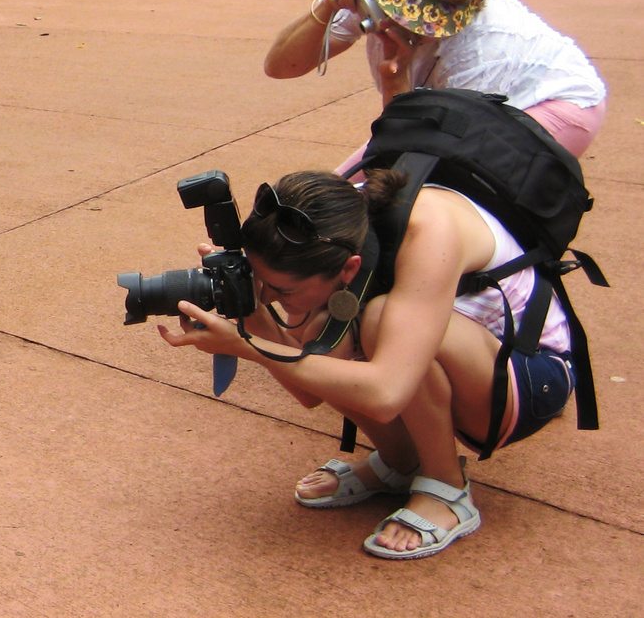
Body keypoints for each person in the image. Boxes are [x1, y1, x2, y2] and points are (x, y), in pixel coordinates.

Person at [158, 167, 577, 559]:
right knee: (330, 329)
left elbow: (384, 392)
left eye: (281, 291)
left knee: (375, 320)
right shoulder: (322, 228)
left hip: (528, 379)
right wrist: (246, 305)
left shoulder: (431, 231)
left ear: (349, 268)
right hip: (472, 359)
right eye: (261, 280)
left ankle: (447, 489)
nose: (269, 296)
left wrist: (247, 348)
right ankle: (401, 463)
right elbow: (309, 386)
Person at [263, 0, 607, 163]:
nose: (404, 24)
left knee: (438, 206)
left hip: (553, 104)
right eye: (398, 7)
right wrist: (326, 6)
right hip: (444, 113)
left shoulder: (483, 49)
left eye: (425, 21)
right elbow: (280, 67)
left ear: (467, 7)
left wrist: (395, 79)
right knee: (330, 200)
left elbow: (417, 160)